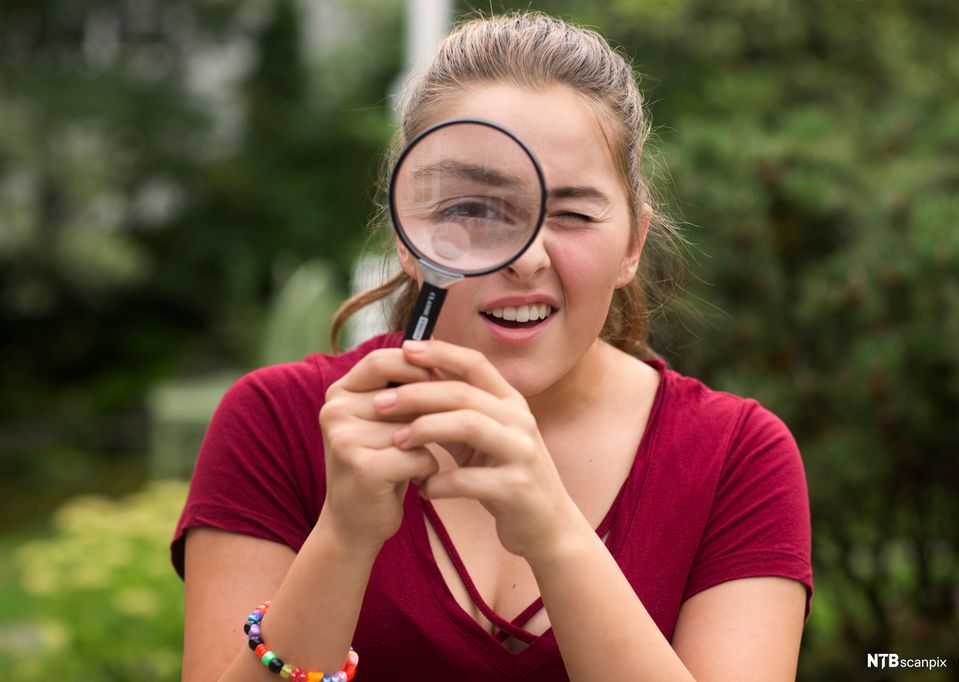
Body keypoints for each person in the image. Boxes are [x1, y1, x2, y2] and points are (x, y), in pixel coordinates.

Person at [172, 11, 812, 682]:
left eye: (570, 213)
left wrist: (554, 533)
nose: (528, 255)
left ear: (632, 242)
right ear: (408, 231)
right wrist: (344, 536)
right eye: (474, 209)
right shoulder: (278, 424)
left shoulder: (737, 456)